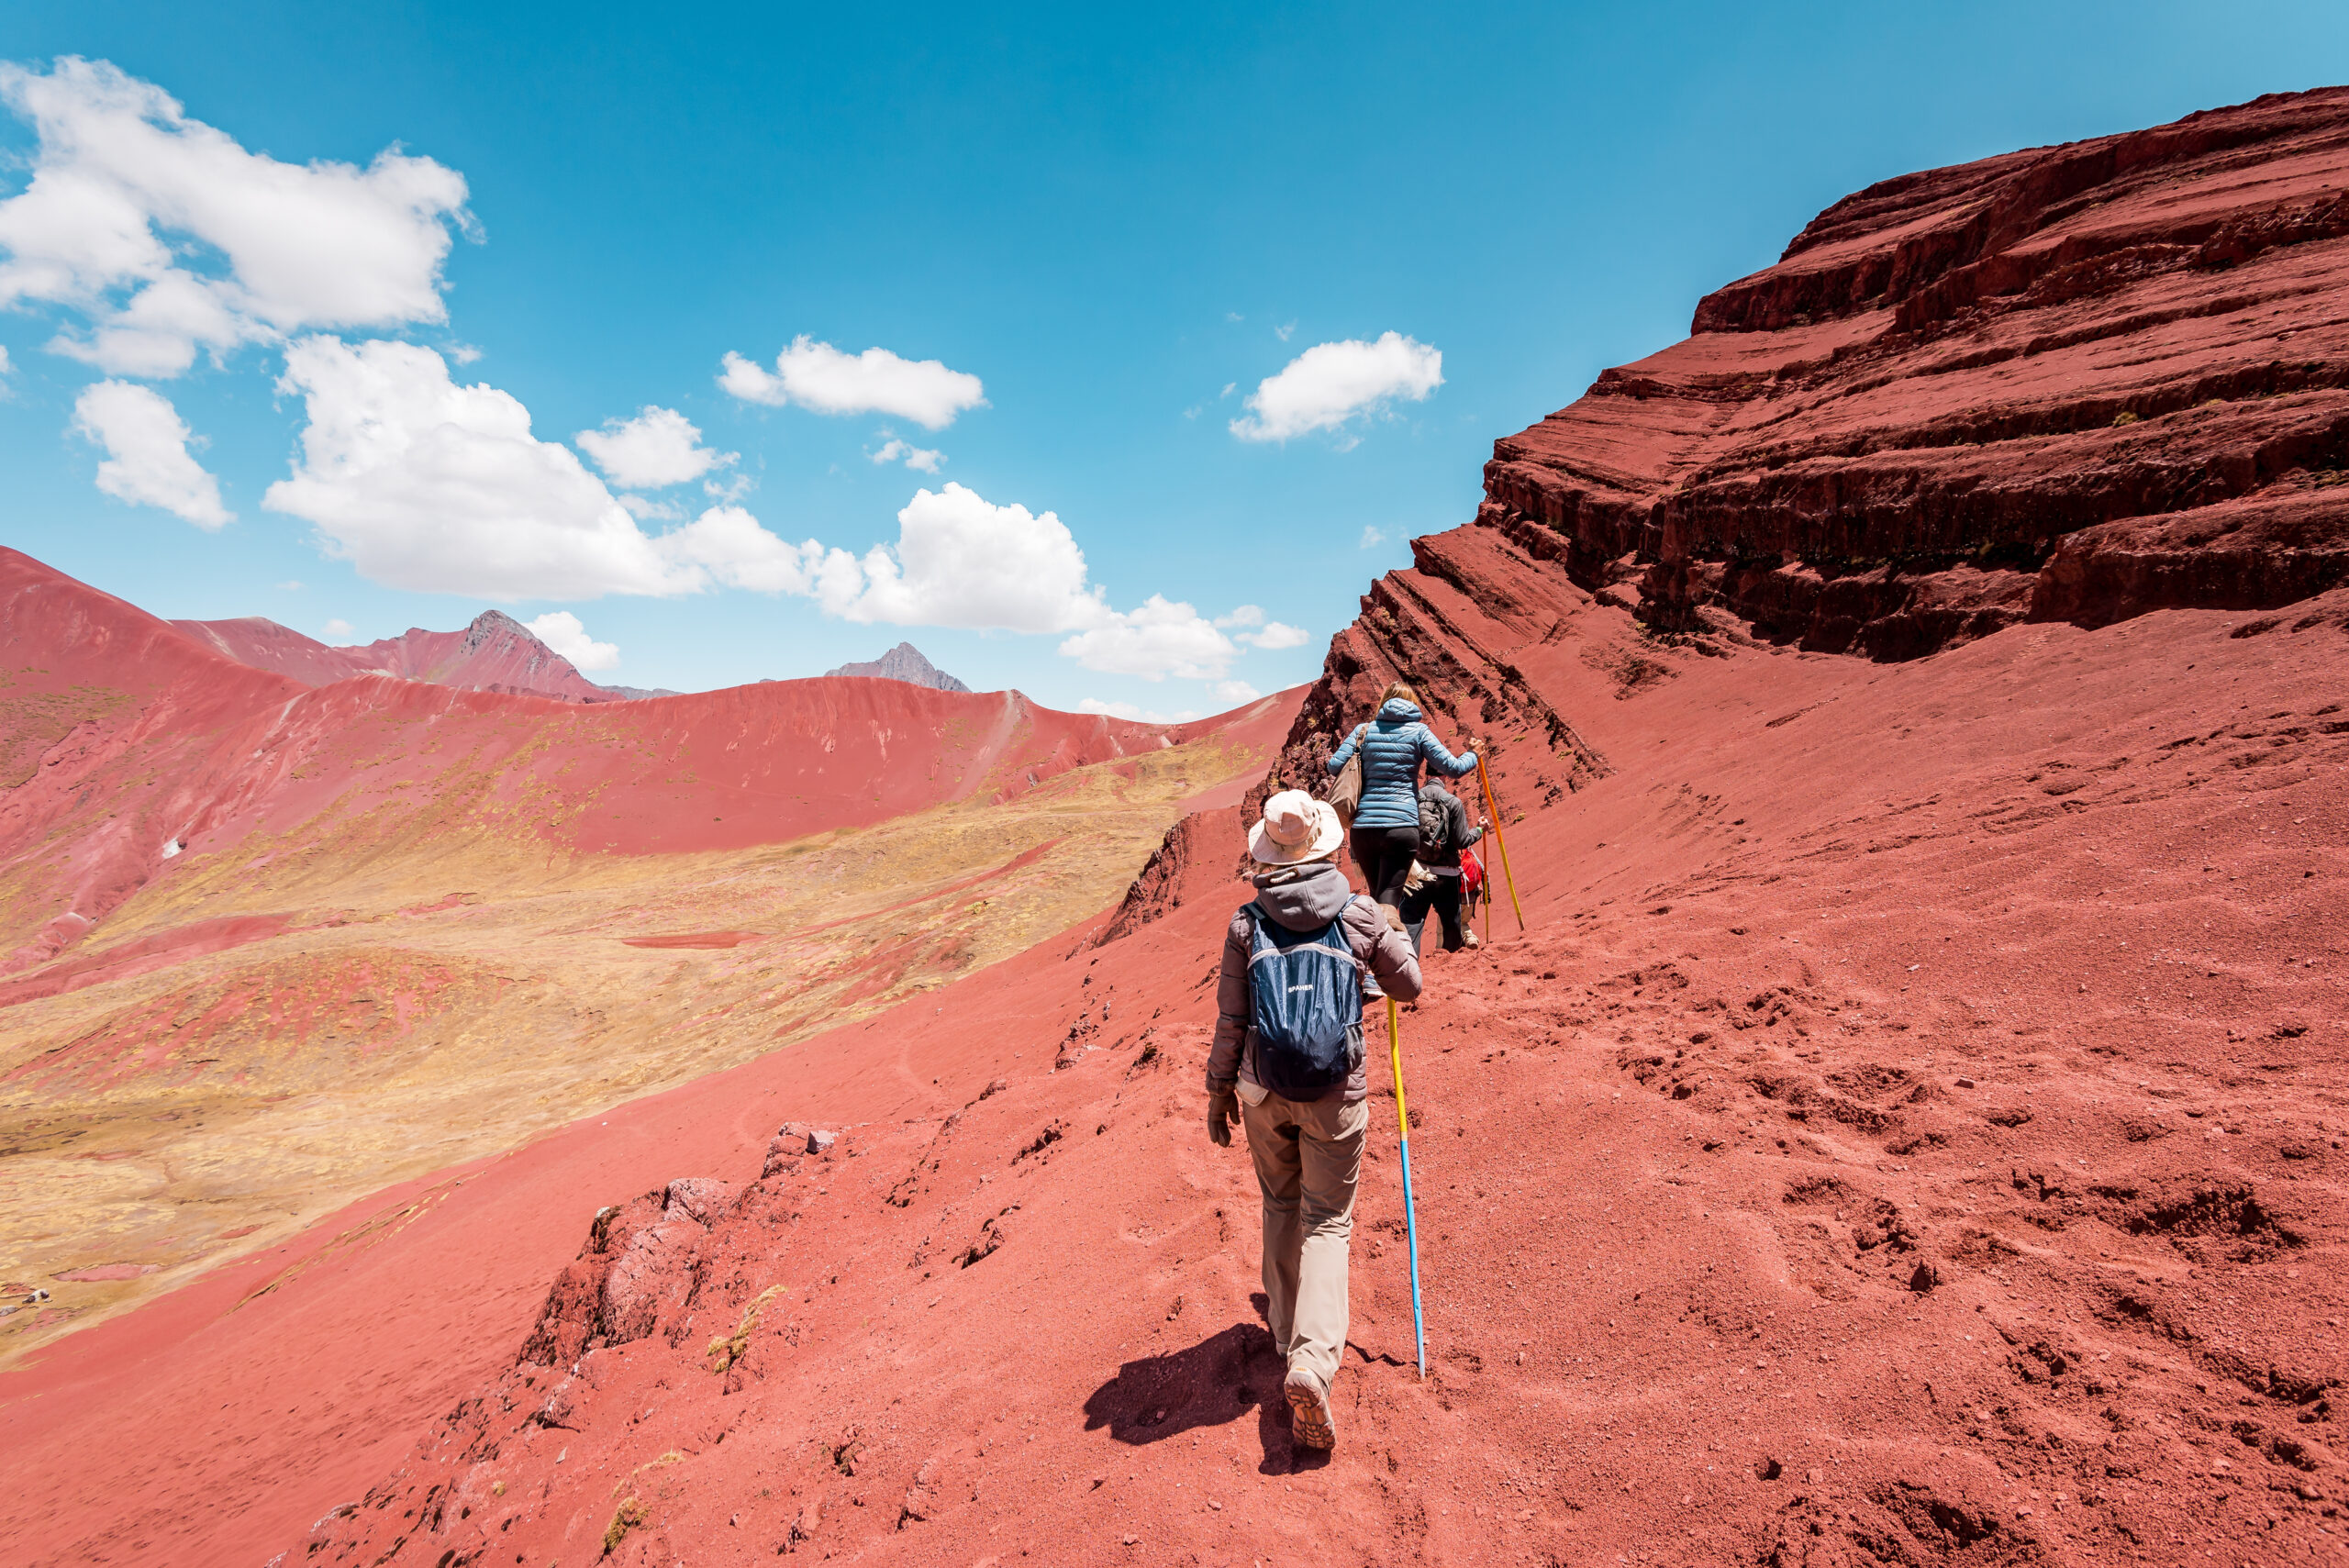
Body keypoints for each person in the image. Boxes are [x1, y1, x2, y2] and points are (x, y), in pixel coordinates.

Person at [1205, 788, 1422, 1451]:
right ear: (1326, 846)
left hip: (1261, 1091)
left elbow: (1231, 1020)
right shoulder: (1357, 915)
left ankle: (1283, 1332)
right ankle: (1313, 1361)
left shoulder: (1246, 923)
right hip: (1336, 1094)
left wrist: (1217, 1091)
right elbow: (1409, 984)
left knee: (1279, 1202)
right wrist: (1390, 924)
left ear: (1269, 854)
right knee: (1328, 1221)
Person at [1324, 683, 1477, 929]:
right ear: (1412, 703)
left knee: (1378, 898)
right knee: (1388, 902)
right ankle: (1393, 961)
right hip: (1401, 827)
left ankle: (1374, 958)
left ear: (1384, 702)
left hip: (1363, 829)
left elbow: (1333, 766)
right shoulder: (1419, 732)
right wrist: (1474, 754)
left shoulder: (1363, 731)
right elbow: (1454, 768)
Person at [1401, 777, 1483, 951]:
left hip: (1418, 872)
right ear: (1444, 777)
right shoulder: (1453, 802)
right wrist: (1479, 830)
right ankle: (1450, 961)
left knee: (1411, 922)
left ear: (1426, 776)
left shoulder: (1412, 798)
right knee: (1451, 923)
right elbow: (1462, 841)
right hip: (1447, 876)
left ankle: (1409, 964)